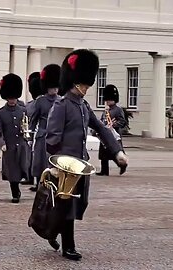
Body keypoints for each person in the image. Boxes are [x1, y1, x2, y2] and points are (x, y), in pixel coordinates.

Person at [45, 49, 128, 260]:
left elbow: (101, 128)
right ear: (75, 82)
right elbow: (52, 138)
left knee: (77, 204)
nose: (86, 89)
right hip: (66, 166)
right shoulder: (61, 105)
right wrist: (57, 164)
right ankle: (68, 247)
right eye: (84, 85)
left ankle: (51, 231)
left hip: (81, 164)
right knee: (68, 206)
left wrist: (117, 152)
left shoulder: (83, 106)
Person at [29, 64, 62, 191]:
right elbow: (34, 119)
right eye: (52, 87)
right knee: (39, 161)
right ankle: (39, 182)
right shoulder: (40, 101)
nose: (54, 90)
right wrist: (31, 136)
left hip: (56, 135)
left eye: (55, 87)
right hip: (42, 134)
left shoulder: (61, 100)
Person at [0, 73, 28, 203]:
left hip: (21, 144)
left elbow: (26, 125)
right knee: (12, 171)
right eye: (10, 98)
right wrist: (2, 143)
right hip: (9, 146)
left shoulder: (23, 110)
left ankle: (18, 187)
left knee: (22, 169)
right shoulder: (1, 112)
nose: (12, 100)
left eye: (14, 98)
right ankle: (15, 192)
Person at [96, 84, 127, 176]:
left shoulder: (118, 110)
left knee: (115, 153)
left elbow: (122, 122)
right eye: (107, 100)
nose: (107, 101)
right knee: (103, 154)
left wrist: (114, 124)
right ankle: (104, 170)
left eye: (109, 99)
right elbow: (102, 121)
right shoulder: (106, 110)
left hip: (114, 135)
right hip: (105, 134)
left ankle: (122, 165)